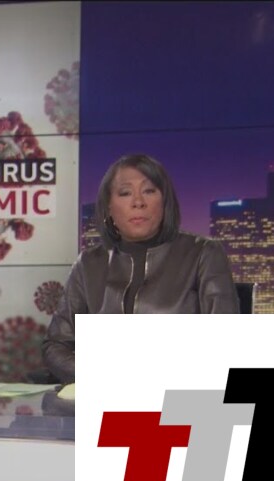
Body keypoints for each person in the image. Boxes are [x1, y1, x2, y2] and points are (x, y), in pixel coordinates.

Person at [42, 154, 240, 384]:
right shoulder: (89, 264)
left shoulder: (203, 254)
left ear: (164, 202)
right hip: (107, 396)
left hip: (181, 396)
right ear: (109, 207)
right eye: (125, 193)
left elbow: (226, 344)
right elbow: (56, 344)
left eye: (149, 191)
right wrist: (104, 377)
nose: (138, 202)